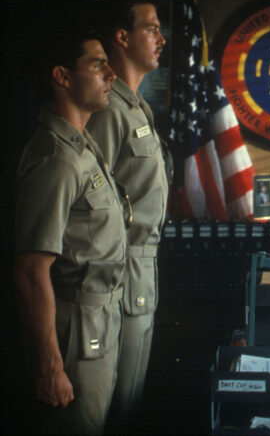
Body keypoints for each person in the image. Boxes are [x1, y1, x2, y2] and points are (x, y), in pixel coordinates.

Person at [14, 30, 125, 434]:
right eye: (97, 64)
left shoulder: (82, 146)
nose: (111, 73)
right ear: (62, 76)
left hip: (100, 321)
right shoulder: (56, 159)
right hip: (73, 329)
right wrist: (50, 366)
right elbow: (30, 270)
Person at [86, 0, 169, 427]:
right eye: (151, 28)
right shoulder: (107, 109)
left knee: (130, 403)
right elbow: (93, 208)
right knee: (114, 408)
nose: (161, 38)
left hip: (143, 268)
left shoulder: (136, 107)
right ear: (122, 36)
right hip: (117, 273)